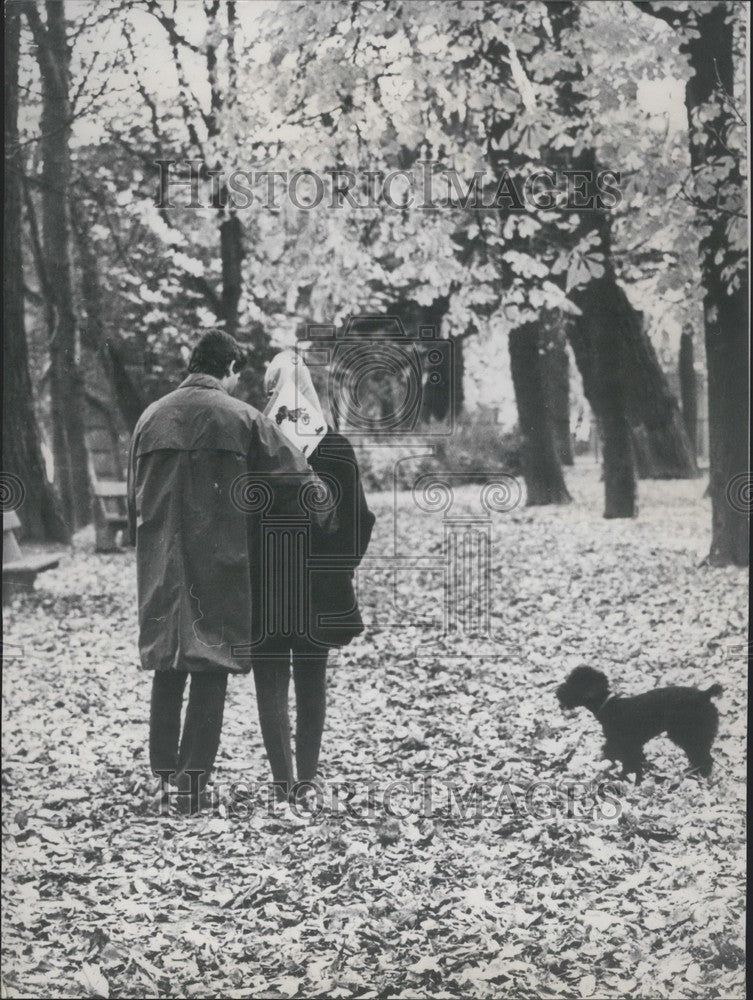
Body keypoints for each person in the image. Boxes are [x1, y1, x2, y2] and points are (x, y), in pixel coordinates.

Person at [127, 331, 328, 813]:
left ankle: (161, 778)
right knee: (209, 665)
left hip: (159, 560)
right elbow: (295, 475)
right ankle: (192, 786)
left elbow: (136, 490)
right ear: (231, 367)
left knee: (167, 665)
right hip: (216, 558)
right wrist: (323, 512)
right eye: (239, 374)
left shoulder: (150, 417)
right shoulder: (241, 417)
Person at [250, 350, 376, 806]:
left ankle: (282, 780)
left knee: (270, 679)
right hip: (318, 587)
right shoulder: (336, 448)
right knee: (310, 679)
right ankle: (306, 777)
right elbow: (360, 519)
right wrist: (341, 566)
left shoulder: (255, 446)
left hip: (266, 584)